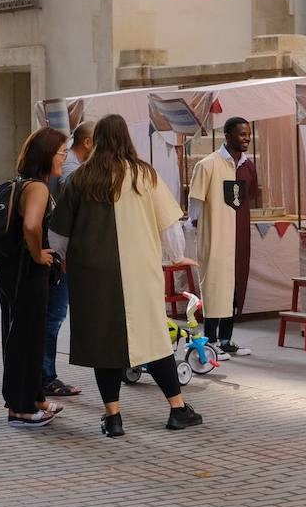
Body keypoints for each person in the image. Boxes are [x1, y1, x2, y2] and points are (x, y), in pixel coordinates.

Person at [49, 115, 204, 437]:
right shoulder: (144, 175)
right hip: (140, 273)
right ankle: (177, 408)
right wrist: (177, 256)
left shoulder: (81, 178)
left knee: (102, 344)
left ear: (98, 140)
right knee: (154, 339)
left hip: (92, 274)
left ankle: (113, 417)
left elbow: (58, 236)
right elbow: (169, 225)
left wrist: (64, 258)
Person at [0, 127, 69, 428]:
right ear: (47, 154)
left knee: (29, 336)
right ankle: (21, 408)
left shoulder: (23, 183)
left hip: (14, 270)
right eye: (62, 153)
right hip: (26, 272)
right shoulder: (38, 188)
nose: (64, 158)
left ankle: (34, 397)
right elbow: (30, 226)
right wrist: (39, 254)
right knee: (24, 339)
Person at [189, 116, 259, 357]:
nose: (247, 138)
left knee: (234, 287)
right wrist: (200, 228)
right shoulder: (207, 165)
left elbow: (247, 198)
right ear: (227, 136)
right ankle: (210, 342)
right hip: (216, 235)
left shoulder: (247, 166)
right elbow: (195, 204)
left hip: (239, 236)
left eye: (248, 134)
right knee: (214, 287)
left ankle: (226, 340)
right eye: (241, 134)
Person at [42, 120, 94, 397]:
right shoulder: (71, 171)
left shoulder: (56, 173)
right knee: (54, 317)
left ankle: (43, 375)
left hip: (59, 256)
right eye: (60, 152)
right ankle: (45, 376)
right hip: (59, 258)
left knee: (53, 316)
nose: (63, 156)